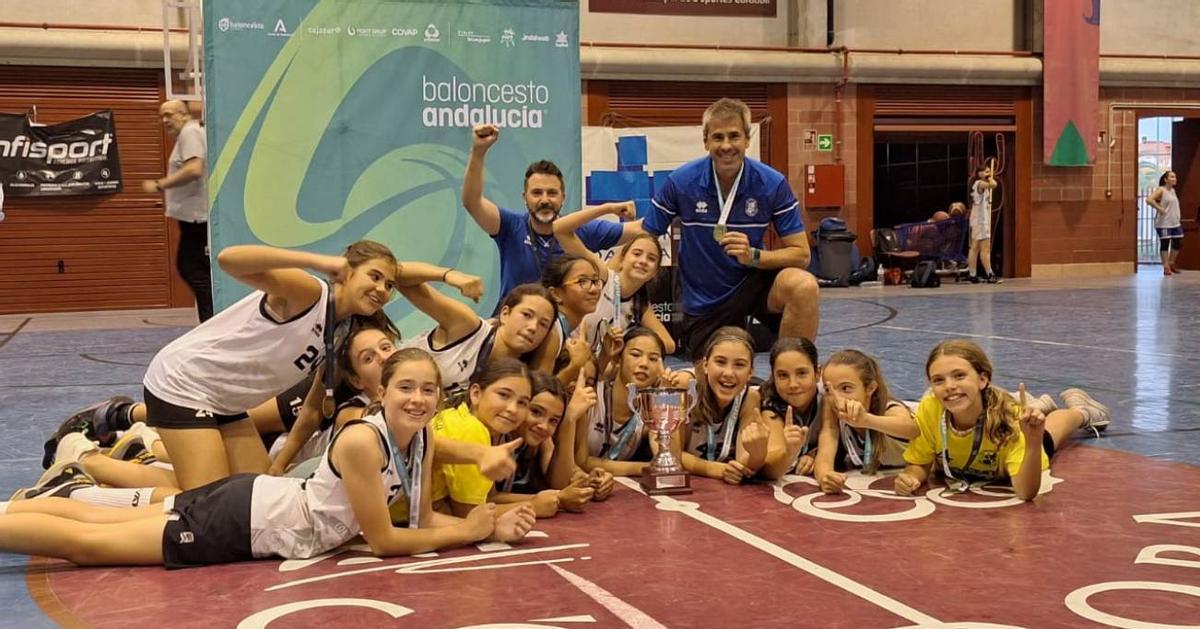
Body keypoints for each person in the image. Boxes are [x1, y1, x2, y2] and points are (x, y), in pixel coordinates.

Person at [0, 350, 537, 568]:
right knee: (91, 545)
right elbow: (387, 540)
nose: (417, 399)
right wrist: (471, 530)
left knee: (102, 517)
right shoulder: (360, 441)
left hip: (255, 502)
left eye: (427, 390)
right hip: (243, 521)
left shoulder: (416, 440)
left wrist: (488, 513)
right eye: (406, 388)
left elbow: (419, 519)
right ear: (383, 394)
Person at [142, 240, 398, 491]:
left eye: (389, 284)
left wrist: (280, 464)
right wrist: (314, 260)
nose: (382, 289)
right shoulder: (311, 293)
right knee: (206, 507)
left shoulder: (343, 329)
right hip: (184, 383)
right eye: (374, 277)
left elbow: (311, 409)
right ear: (346, 271)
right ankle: (107, 499)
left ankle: (137, 457)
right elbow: (229, 259)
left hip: (226, 401)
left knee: (259, 495)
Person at [636, 98, 819, 359]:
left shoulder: (771, 183)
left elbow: (801, 254)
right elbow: (646, 235)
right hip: (704, 297)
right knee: (710, 377)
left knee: (803, 286)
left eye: (734, 136)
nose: (726, 146)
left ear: (747, 139)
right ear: (705, 142)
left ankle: (790, 374)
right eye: (717, 137)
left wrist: (753, 255)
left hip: (753, 281)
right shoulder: (682, 182)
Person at [895, 340, 1111, 500]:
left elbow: (1026, 492)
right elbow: (920, 463)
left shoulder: (1011, 423)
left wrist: (1033, 441)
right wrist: (910, 476)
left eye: (959, 375)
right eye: (938, 380)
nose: (949, 385)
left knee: (1052, 432)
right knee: (1034, 417)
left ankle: (1082, 411)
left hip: (1024, 444)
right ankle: (1040, 406)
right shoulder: (931, 409)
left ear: (983, 379)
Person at [462, 125, 642, 307]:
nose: (545, 200)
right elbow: (472, 202)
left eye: (552, 193)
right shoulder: (510, 225)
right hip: (511, 326)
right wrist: (478, 151)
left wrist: (667, 203)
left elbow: (639, 229)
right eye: (537, 193)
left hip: (564, 330)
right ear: (525, 198)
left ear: (563, 198)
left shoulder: (580, 231)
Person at [555, 200, 676, 355]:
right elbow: (560, 229)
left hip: (593, 367)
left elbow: (669, 345)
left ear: (655, 272)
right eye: (637, 254)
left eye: (651, 259)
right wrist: (608, 208)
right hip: (562, 352)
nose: (643, 261)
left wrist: (627, 344)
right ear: (622, 259)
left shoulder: (639, 302)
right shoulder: (602, 275)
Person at [142, 100, 213, 321]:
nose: (164, 120)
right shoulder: (191, 133)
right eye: (161, 116)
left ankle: (211, 324)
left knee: (195, 272)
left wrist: (160, 184)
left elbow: (194, 169)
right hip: (193, 219)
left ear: (183, 114)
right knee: (194, 271)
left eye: (169, 115)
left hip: (197, 220)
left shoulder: (189, 133)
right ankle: (210, 322)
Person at [812, 349, 917, 494]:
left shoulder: (890, 409)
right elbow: (825, 454)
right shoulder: (831, 409)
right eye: (829, 390)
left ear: (870, 388)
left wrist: (867, 420)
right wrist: (826, 477)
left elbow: (913, 430)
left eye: (846, 388)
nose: (837, 398)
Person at [678, 327, 768, 484]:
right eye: (720, 362)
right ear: (705, 364)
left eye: (739, 365)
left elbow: (743, 461)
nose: (728, 373)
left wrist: (757, 454)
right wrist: (715, 469)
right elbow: (672, 453)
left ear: (750, 372)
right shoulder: (686, 387)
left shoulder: (750, 398)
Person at [755, 337, 822, 480]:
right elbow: (769, 471)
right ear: (773, 377)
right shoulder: (770, 408)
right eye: (783, 375)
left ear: (818, 373)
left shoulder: (830, 397)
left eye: (802, 373)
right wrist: (789, 452)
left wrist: (816, 453)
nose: (793, 384)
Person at [966, 162, 1000, 284]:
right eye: (985, 171)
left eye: (987, 171)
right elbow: (994, 184)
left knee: (974, 248)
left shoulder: (977, 184)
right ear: (979, 173)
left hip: (977, 220)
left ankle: (972, 274)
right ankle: (990, 274)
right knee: (985, 248)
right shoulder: (979, 183)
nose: (987, 173)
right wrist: (990, 176)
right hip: (980, 221)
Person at [1147, 170, 1184, 276]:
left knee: (1178, 242)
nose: (1175, 179)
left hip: (1175, 222)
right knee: (1165, 244)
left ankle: (1171, 262)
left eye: (1175, 177)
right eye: (1172, 177)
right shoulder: (1161, 190)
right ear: (1165, 179)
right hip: (1163, 223)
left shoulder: (1173, 190)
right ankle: (1166, 266)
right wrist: (1159, 208)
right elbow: (1149, 200)